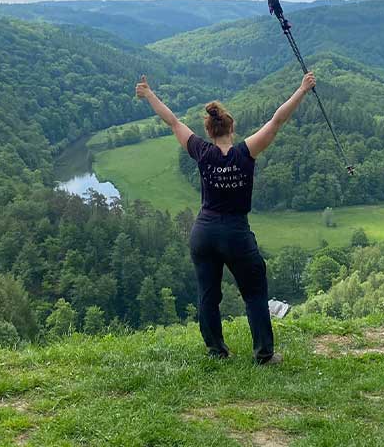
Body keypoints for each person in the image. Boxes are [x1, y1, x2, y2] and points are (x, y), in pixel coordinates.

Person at [135, 71, 317, 364]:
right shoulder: (246, 152)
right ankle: (264, 354)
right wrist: (302, 89)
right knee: (255, 292)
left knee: (208, 294)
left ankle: (216, 352)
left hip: (203, 231)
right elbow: (277, 120)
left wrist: (148, 94)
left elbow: (172, 121)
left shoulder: (202, 151)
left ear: (209, 131)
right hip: (235, 233)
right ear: (232, 128)